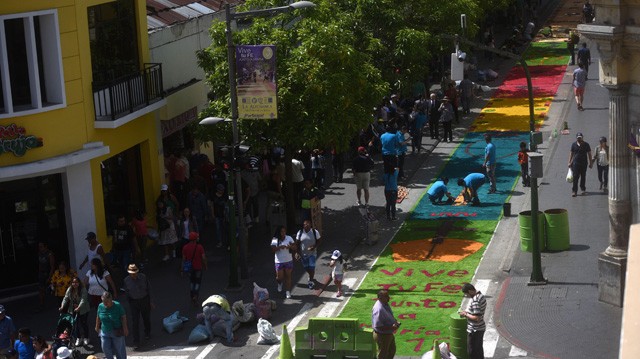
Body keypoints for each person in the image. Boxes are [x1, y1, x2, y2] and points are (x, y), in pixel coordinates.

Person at [123, 265, 154, 349]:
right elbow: (127, 293)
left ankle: (147, 332)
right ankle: (136, 341)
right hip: (134, 302)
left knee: (146, 318)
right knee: (135, 322)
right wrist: (129, 303)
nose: (134, 275)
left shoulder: (143, 277)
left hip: (144, 300)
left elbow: (149, 289)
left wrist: (151, 301)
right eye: (132, 274)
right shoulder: (126, 280)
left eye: (135, 273)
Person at [95, 291, 128, 359]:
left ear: (111, 300)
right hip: (105, 331)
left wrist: (125, 328)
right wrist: (97, 326)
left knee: (119, 350)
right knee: (105, 348)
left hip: (116, 331)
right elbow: (98, 316)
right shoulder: (100, 306)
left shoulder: (117, 305)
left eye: (107, 301)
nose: (105, 303)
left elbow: (123, 317)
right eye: (103, 301)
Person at [60, 277, 90, 346]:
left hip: (83, 309)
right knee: (75, 324)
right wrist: (62, 306)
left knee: (83, 324)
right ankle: (79, 338)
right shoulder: (70, 289)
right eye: (73, 282)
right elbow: (66, 298)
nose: (74, 284)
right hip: (73, 309)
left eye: (76, 282)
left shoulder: (83, 289)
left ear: (79, 283)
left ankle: (86, 337)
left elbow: (83, 300)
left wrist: (79, 307)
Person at [459, 283, 487, 359]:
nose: (467, 296)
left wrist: (465, 315)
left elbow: (477, 318)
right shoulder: (481, 296)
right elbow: (476, 312)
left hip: (474, 330)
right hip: (480, 328)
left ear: (470, 291)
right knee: (478, 350)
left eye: (467, 294)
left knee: (472, 352)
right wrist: (467, 312)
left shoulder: (475, 301)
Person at [371, 289, 400, 359]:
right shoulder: (378, 309)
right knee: (383, 355)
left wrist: (395, 322)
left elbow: (388, 316)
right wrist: (391, 327)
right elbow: (377, 326)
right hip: (382, 335)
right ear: (380, 298)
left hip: (388, 334)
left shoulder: (385, 304)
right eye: (386, 296)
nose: (389, 297)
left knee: (392, 351)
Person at [295, 220, 322, 289]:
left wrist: (314, 247)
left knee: (312, 268)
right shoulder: (300, 232)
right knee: (306, 268)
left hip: (312, 253)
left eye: (307, 224)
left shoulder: (315, 232)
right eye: (305, 224)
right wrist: (296, 252)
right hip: (303, 254)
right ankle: (311, 276)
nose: (306, 226)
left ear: (310, 225)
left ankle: (310, 281)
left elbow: (319, 241)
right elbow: (297, 243)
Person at [181, 232, 207, 304]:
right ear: (195, 239)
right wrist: (205, 266)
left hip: (190, 268)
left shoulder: (185, 247)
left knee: (192, 282)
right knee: (197, 282)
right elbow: (204, 258)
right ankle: (195, 295)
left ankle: (192, 295)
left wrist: (182, 270)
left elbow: (183, 260)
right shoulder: (199, 247)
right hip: (198, 267)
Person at [271, 226, 296, 299]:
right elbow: (273, 249)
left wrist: (290, 246)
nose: (283, 233)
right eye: (282, 231)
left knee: (288, 276)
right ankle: (279, 283)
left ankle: (287, 291)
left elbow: (295, 247)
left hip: (288, 260)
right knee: (279, 277)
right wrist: (280, 247)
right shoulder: (275, 239)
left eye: (284, 231)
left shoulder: (289, 238)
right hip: (279, 261)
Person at [568, 132, 594, 196]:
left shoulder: (586, 145)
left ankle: (582, 188)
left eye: (580, 137)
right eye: (578, 138)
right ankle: (574, 191)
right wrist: (569, 162)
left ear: (582, 137)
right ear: (576, 138)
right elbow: (571, 153)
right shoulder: (573, 145)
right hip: (575, 164)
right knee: (575, 177)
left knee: (583, 176)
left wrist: (591, 163)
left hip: (583, 163)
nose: (579, 139)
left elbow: (589, 154)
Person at [37, 241, 55, 309]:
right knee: (41, 289)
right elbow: (40, 264)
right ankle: (41, 304)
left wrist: (50, 277)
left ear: (45, 247)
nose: (40, 248)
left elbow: (52, 266)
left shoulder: (49, 254)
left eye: (41, 246)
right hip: (42, 273)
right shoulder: (39, 254)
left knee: (52, 288)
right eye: (39, 247)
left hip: (48, 273)